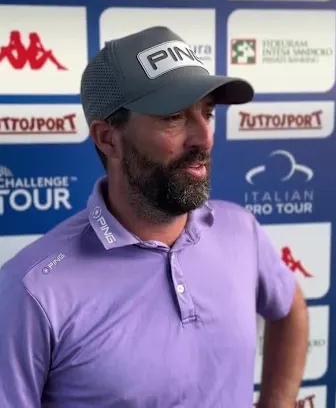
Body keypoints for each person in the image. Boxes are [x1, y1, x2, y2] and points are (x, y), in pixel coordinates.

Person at [0, 26, 309, 407]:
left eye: (207, 113)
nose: (205, 138)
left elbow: (290, 307)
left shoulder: (240, 230)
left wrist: (277, 402)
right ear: (108, 138)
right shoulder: (32, 290)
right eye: (174, 117)